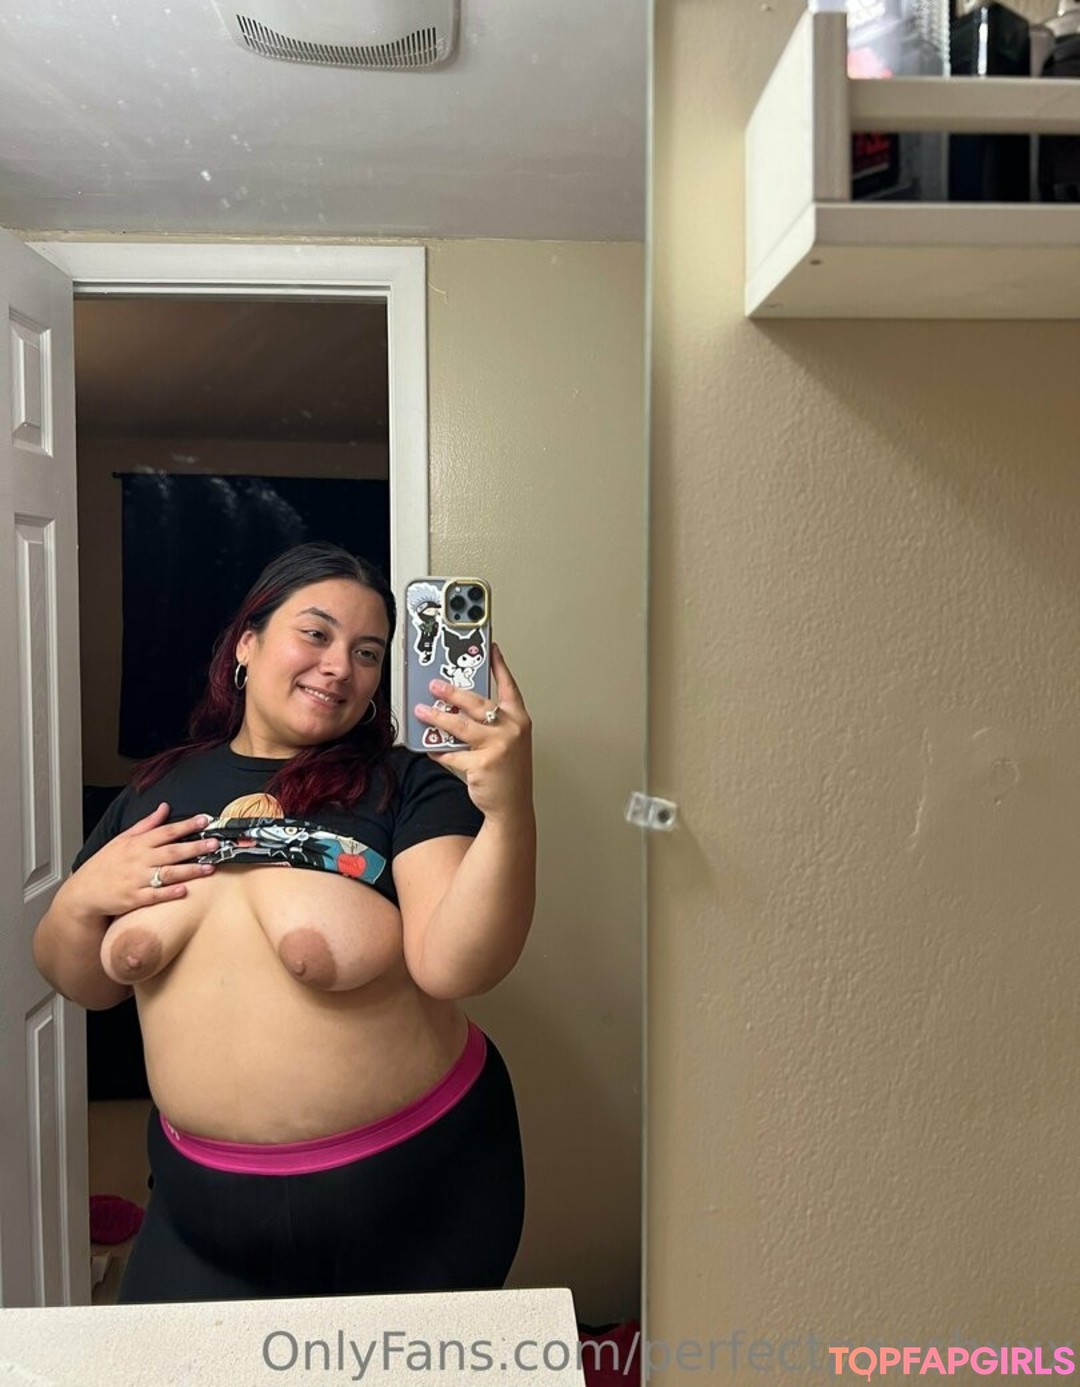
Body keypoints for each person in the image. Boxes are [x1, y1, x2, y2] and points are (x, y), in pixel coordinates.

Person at [32, 542, 534, 1303]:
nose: (340, 666)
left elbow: (455, 966)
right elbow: (81, 982)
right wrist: (79, 898)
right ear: (247, 643)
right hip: (197, 1207)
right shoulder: (156, 790)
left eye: (368, 652)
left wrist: (509, 809)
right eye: (316, 633)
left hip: (416, 1192)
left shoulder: (403, 783)